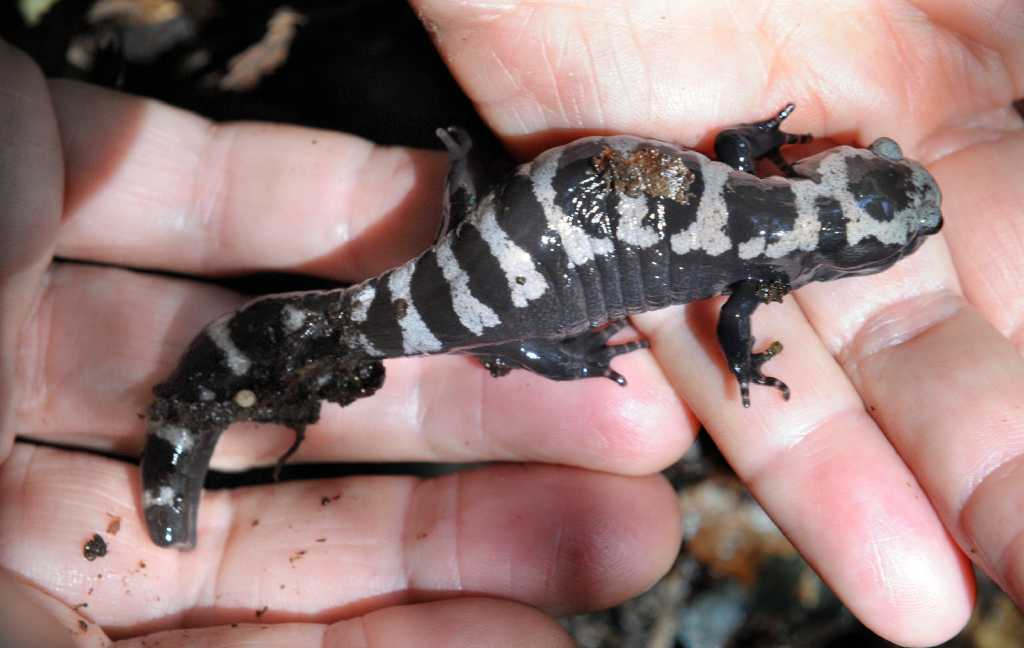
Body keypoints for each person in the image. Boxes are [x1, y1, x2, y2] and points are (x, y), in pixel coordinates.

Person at [1, 1, 1022, 645]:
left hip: (528, 228)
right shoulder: (767, 266)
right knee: (497, 336)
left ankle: (209, 405)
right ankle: (211, 411)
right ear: (842, 243)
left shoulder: (764, 180)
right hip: (515, 273)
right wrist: (733, 371)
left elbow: (734, 141)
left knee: (429, 312)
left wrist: (766, 140)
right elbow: (737, 325)